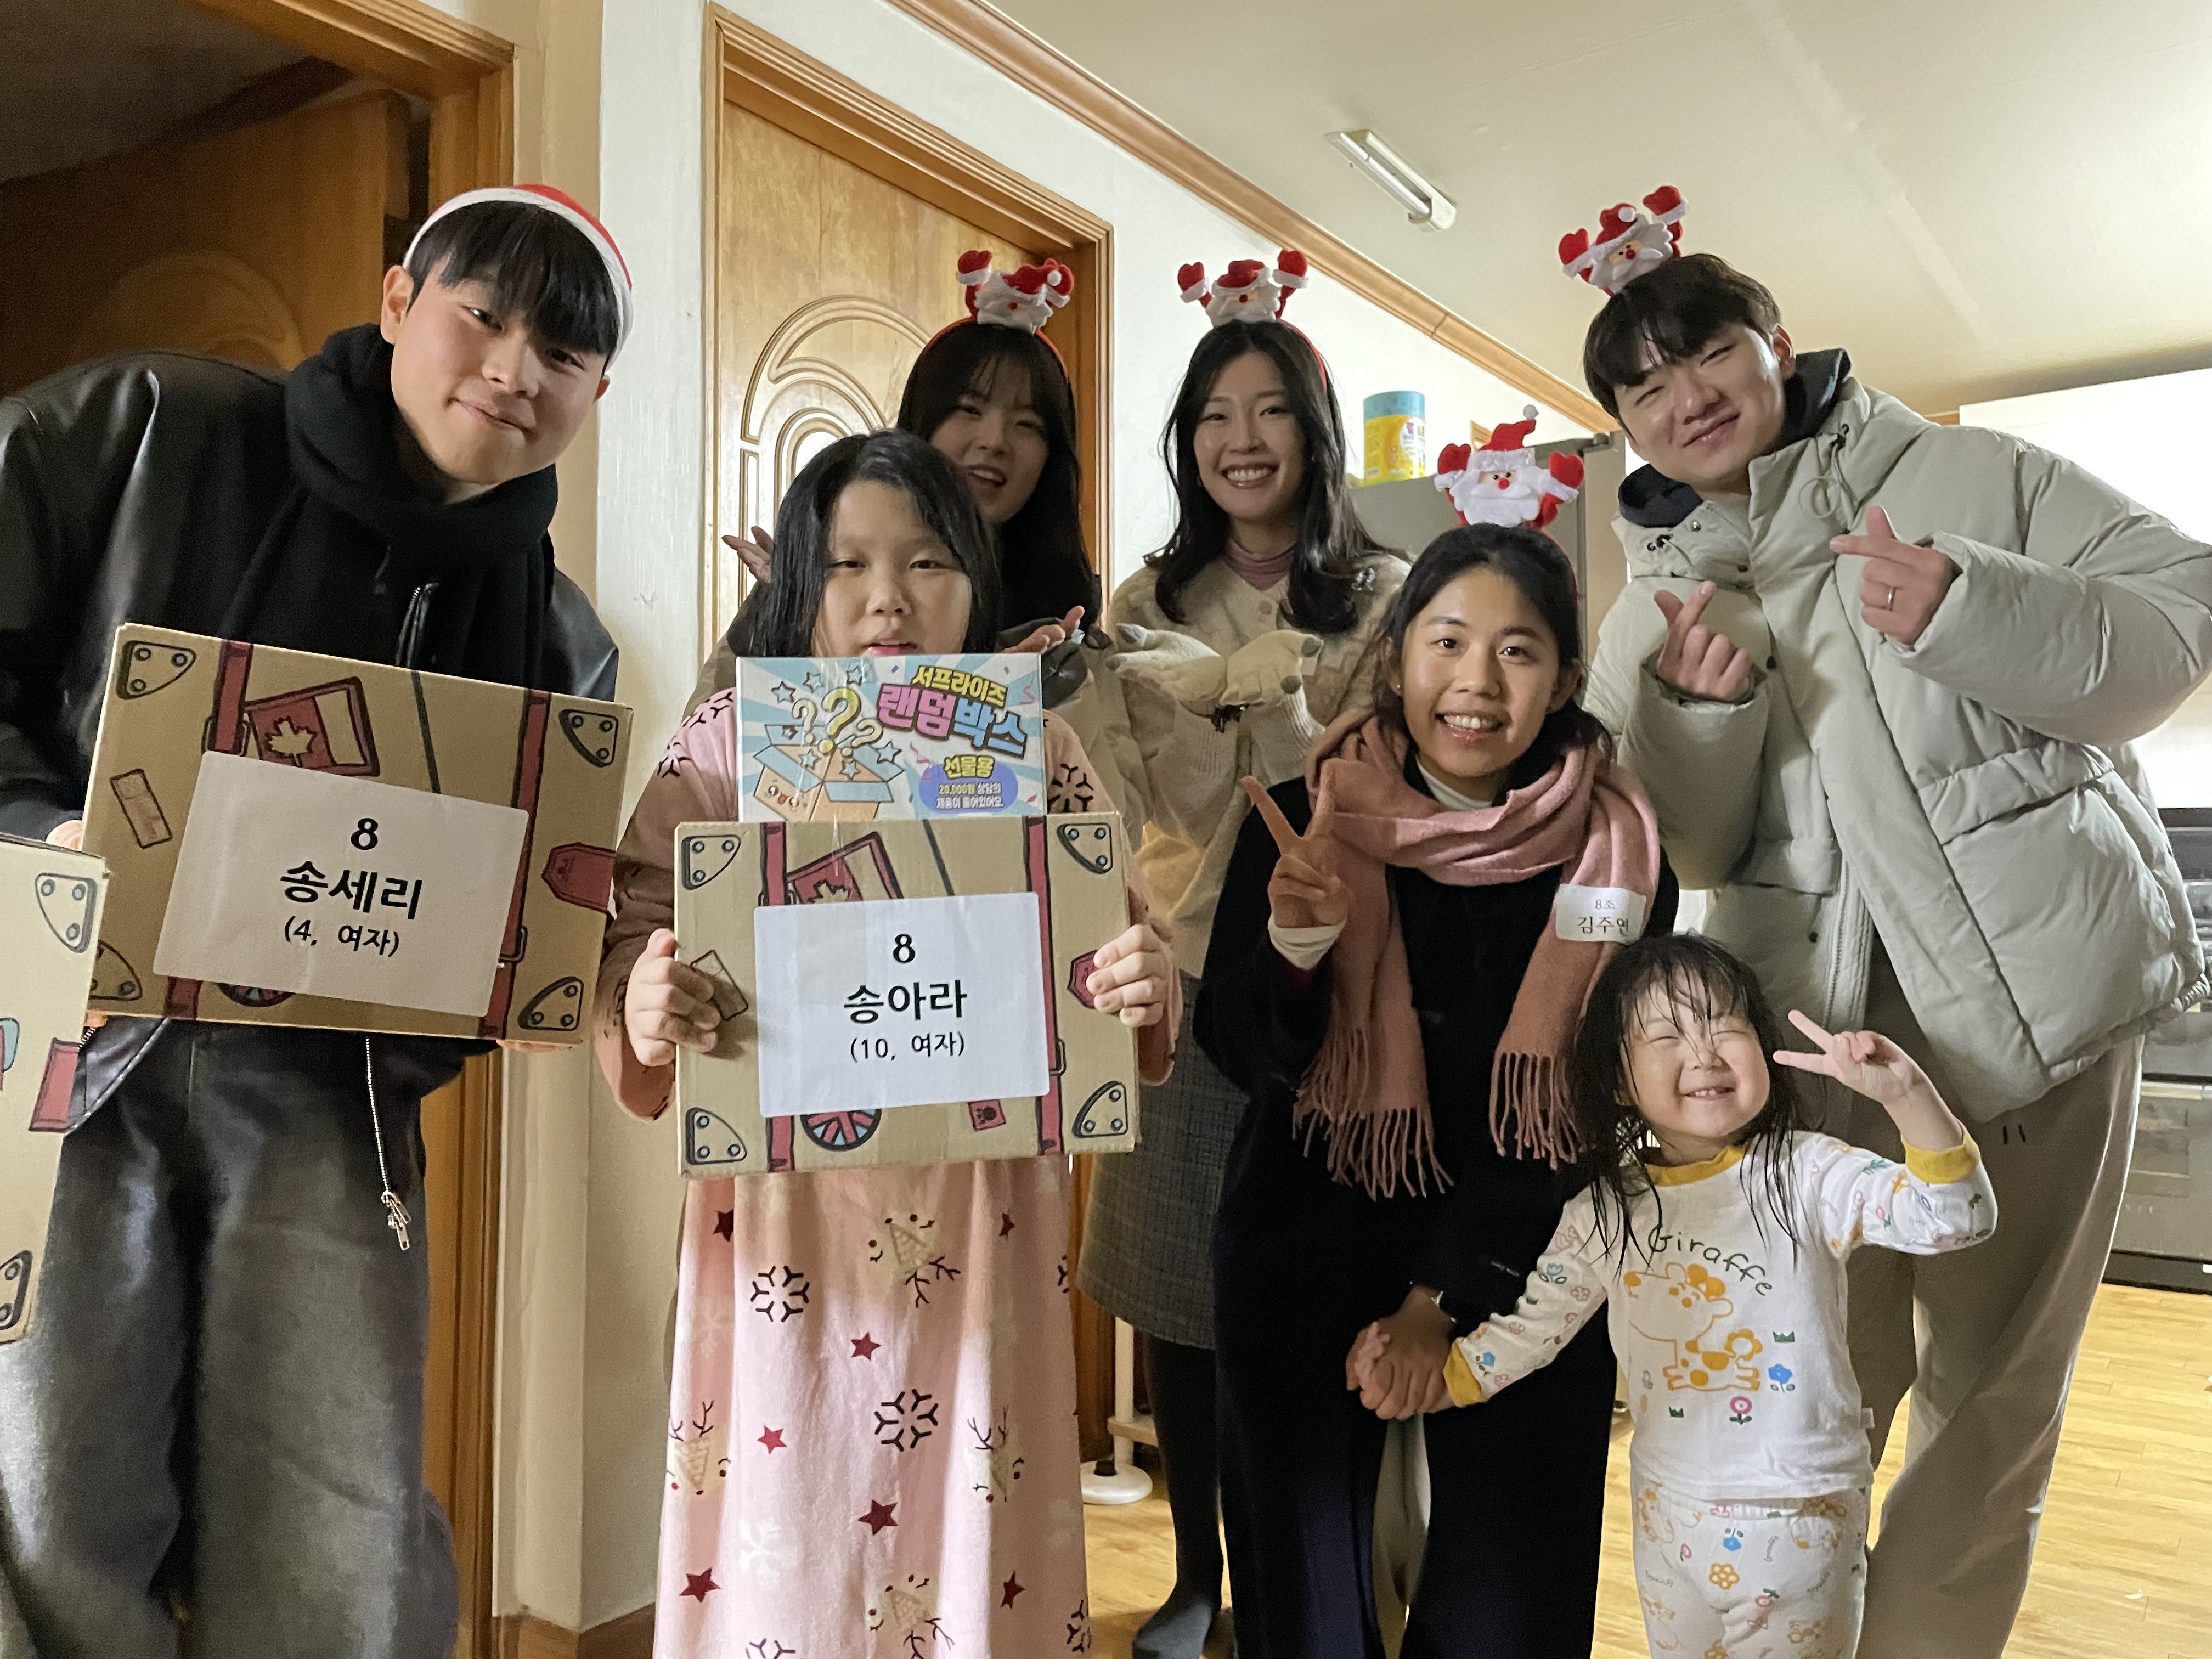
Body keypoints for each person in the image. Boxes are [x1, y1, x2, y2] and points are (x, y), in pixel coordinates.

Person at [0, 185, 628, 1658]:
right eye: (484, 313)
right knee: (53, 1486)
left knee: (336, 1508)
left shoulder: (558, 641)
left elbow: (527, 923)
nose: (513, 370)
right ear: (399, 299)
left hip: (329, 1099)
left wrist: (538, 984)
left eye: (563, 353)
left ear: (598, 390)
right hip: (77, 1054)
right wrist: (38, 835)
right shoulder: (148, 428)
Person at [1575, 212, 2211, 1657]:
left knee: (1995, 1390)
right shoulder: (1653, 604)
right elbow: (1669, 852)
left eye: (1706, 353)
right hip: (1809, 1033)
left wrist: (1979, 608)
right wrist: (1697, 716)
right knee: (1814, 1378)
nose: (1685, 398)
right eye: (1644, 387)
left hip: (2036, 1010)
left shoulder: (1968, 477)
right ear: (1625, 425)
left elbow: (2184, 607)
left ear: (1777, 345)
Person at [596, 428, 1176, 1658]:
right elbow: (633, 927)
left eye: (926, 562)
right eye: (847, 564)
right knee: (789, 1517)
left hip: (985, 1219)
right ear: (797, 590)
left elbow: (1118, 944)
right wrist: (641, 1000)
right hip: (783, 1230)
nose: (887, 598)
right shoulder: (726, 746)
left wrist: (1142, 982)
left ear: (975, 581)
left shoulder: (1039, 752)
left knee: (976, 1519)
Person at [1199, 523, 1673, 1658]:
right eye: (1447, 641)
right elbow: (1241, 1053)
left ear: (1565, 678)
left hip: (1524, 1241)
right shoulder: (1303, 819)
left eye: (1517, 651)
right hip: (1307, 1216)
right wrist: (1297, 949)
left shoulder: (1615, 852)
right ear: (1397, 654)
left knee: (1510, 1596)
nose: (1475, 682)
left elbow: (1589, 1103)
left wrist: (1439, 1299)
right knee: (1303, 1598)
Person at [1068, 252, 1407, 1659]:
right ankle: (1196, 1570)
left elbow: (1393, 782)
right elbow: (1110, 788)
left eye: (1271, 410)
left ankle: (1321, 1570)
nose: (1242, 439)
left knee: (1322, 1285)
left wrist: (1281, 712)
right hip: (1186, 965)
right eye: (1214, 414)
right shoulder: (1144, 602)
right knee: (1177, 1285)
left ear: (1314, 436)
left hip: (1335, 976)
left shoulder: (1386, 596)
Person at [1355, 934, 1997, 1659]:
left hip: (1801, 1516)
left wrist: (1908, 1097)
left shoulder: (1809, 1173)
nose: (1703, 1053)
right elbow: (1533, 1329)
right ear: (1618, 1080)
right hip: (1667, 1513)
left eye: (1725, 1026)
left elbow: (1958, 1218)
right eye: (1665, 1036)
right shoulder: (1604, 1212)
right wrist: (1439, 1380)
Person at [689, 252, 1099, 713]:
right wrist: (790, 613)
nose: (994, 441)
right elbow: (707, 739)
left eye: (1027, 424)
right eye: (968, 409)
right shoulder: (809, 579)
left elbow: (1093, 758)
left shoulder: (1066, 620)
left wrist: (1025, 700)